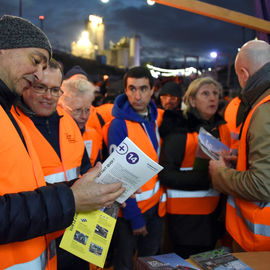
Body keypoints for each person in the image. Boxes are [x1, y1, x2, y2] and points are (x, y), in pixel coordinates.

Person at [0, 14, 125, 270]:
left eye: (54, 89)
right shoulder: (15, 117)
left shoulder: (14, 116)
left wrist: (89, 189)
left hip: (56, 241)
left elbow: (27, 188)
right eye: (35, 61)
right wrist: (71, 198)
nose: (37, 76)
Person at [14, 59, 93, 269]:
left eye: (55, 90)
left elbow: (83, 168)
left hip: (77, 232)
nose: (49, 96)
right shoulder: (11, 125)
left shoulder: (68, 121)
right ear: (26, 84)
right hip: (37, 234)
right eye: (40, 87)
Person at [159, 76, 231, 259]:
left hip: (213, 216)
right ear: (192, 100)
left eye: (215, 93)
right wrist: (209, 178)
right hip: (185, 219)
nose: (213, 98)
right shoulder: (179, 129)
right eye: (205, 93)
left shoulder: (222, 129)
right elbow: (166, 174)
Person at [209, 40, 270, 252]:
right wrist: (241, 162)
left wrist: (220, 173)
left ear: (243, 74)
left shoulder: (264, 109)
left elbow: (263, 184)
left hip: (261, 245)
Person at [106, 66, 165, 270]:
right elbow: (118, 177)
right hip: (130, 213)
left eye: (142, 89)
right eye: (131, 89)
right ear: (125, 90)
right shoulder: (118, 125)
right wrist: (134, 217)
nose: (137, 95)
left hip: (154, 208)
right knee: (124, 264)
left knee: (150, 263)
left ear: (152, 90)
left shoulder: (155, 119)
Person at [59, 78, 102, 166]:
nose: (84, 116)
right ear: (61, 107)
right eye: (77, 110)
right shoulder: (53, 136)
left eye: (87, 110)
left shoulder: (93, 136)